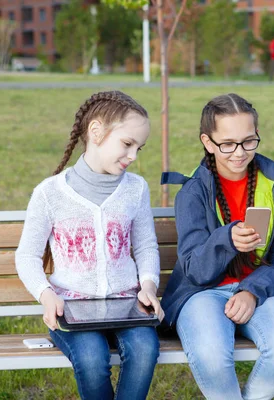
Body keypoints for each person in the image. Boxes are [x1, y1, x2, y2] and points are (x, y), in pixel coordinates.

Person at [15, 90, 163, 400]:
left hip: (126, 305)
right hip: (71, 308)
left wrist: (147, 286)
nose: (134, 156)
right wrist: (46, 295)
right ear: (96, 132)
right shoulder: (49, 193)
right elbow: (27, 255)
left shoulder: (135, 189)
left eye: (139, 147)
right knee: (92, 360)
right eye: (127, 144)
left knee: (145, 350)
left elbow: (147, 245)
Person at [160, 93, 274, 400]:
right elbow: (195, 268)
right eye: (227, 144)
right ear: (208, 142)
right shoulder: (192, 193)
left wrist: (252, 291)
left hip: (261, 289)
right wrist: (226, 240)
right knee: (212, 358)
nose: (239, 153)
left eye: (249, 141)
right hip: (201, 292)